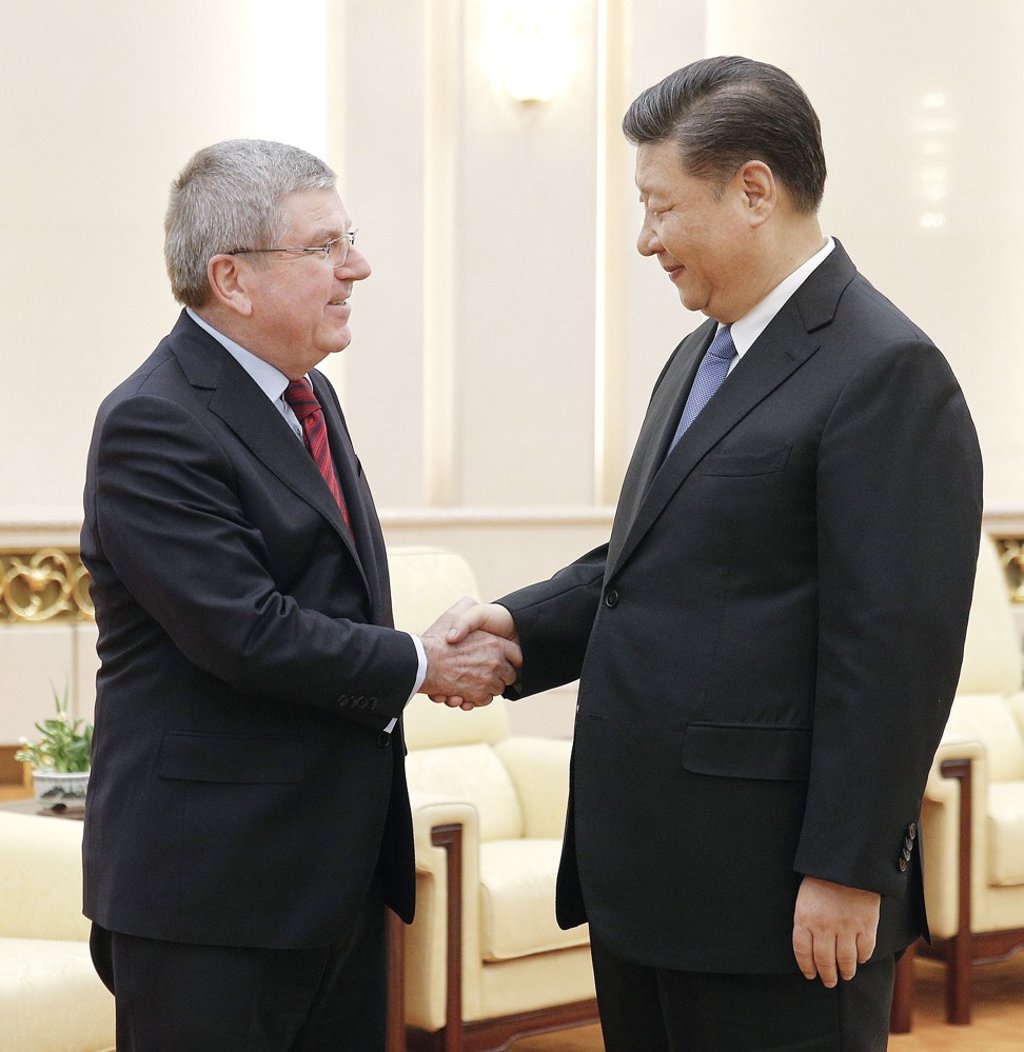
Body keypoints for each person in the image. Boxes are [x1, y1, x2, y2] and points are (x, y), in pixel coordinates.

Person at [442, 57, 984, 1050]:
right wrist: (520, 625)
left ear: (750, 190)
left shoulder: (887, 372)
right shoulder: (699, 353)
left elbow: (893, 649)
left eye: (658, 205)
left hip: (776, 900)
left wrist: (846, 865)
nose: (645, 238)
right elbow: (656, 556)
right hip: (649, 883)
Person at [80, 138, 520, 1052]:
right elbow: (245, 631)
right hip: (213, 894)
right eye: (324, 247)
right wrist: (420, 660)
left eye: (347, 239)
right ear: (232, 279)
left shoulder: (306, 395)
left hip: (335, 875)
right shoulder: (153, 420)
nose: (355, 266)